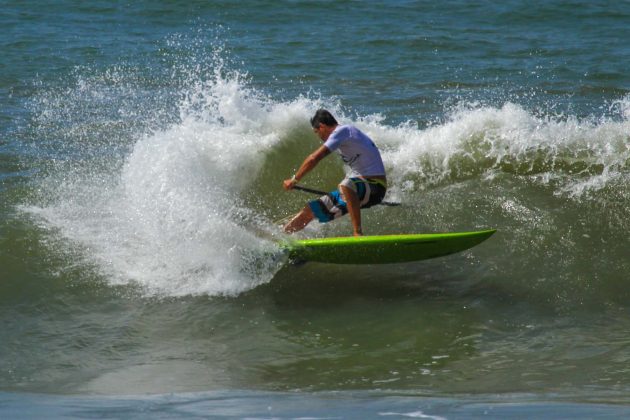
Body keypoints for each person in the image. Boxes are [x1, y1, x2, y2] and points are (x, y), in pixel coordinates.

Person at [282, 109, 387, 236]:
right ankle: (281, 237)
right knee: (310, 209)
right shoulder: (345, 139)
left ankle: (357, 233)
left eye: (317, 132)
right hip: (358, 188)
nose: (319, 137)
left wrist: (294, 180)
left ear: (322, 127)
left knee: (346, 184)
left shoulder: (343, 131)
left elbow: (314, 158)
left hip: (375, 186)